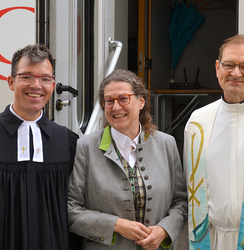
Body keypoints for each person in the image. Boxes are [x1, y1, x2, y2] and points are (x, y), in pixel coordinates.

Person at [68, 69, 187, 250]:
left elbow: (180, 202)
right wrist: (115, 225)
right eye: (109, 101)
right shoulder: (85, 148)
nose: (116, 107)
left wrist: (164, 230)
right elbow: (71, 210)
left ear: (141, 101)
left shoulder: (166, 144)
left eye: (123, 98)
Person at [0, 44, 79, 249]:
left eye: (45, 79)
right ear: (11, 82)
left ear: (52, 86)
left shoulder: (68, 142)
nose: (36, 85)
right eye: (27, 76)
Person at [184, 34, 244, 249]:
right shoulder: (198, 122)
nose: (236, 73)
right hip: (210, 239)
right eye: (228, 65)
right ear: (217, 68)